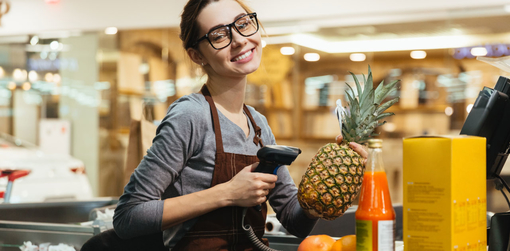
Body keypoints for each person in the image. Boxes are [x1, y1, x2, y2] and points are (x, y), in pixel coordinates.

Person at [83, 0, 367, 250]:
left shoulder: (258, 125)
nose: (240, 40)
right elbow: (128, 217)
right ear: (197, 56)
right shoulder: (190, 116)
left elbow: (296, 222)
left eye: (243, 23)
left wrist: (327, 186)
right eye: (219, 34)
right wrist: (228, 193)